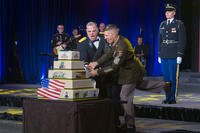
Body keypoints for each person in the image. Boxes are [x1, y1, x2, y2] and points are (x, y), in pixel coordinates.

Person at [88, 24, 145, 132]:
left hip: (131, 73)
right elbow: (108, 54)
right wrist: (96, 62)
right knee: (128, 95)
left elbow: (114, 67)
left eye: (106, 35)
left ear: (113, 35)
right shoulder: (116, 42)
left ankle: (130, 126)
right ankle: (129, 124)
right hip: (124, 74)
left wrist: (98, 72)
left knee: (124, 97)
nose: (104, 38)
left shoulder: (122, 45)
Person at [158, 4, 186, 104]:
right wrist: (159, 54)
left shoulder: (179, 24)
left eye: (169, 11)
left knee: (173, 77)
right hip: (164, 53)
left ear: (174, 13)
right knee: (166, 78)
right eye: (166, 12)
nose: (167, 13)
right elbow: (160, 40)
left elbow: (182, 40)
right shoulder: (162, 24)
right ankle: (167, 97)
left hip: (174, 54)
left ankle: (173, 98)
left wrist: (180, 54)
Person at [77, 21, 108, 98]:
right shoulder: (81, 43)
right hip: (92, 76)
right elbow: (83, 60)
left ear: (98, 30)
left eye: (94, 31)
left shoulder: (105, 40)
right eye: (89, 31)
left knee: (108, 98)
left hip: (106, 74)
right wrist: (90, 70)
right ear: (86, 31)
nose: (91, 33)